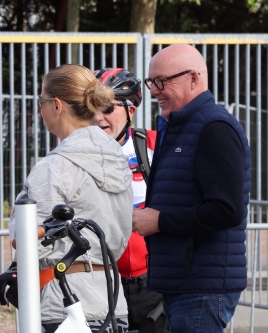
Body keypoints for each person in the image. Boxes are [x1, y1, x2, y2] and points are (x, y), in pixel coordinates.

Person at [0, 64, 134, 333]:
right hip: (112, 303)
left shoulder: (54, 167)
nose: (40, 109)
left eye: (41, 101)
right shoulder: (118, 159)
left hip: (65, 304)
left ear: (57, 105)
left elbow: (28, 240)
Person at [132, 44, 251, 333]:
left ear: (194, 79)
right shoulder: (178, 125)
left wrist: (158, 220)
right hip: (187, 283)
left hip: (201, 287)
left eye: (162, 81)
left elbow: (227, 210)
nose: (154, 90)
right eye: (151, 82)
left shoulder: (214, 127)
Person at [94, 68, 169, 333]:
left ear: (130, 110)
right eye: (90, 106)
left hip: (151, 281)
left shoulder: (153, 145)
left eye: (106, 107)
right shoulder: (75, 151)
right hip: (99, 279)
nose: (97, 117)